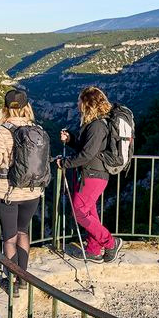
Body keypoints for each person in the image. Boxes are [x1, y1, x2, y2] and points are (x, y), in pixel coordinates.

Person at [0, 88, 46, 295]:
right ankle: (23, 278)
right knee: (23, 232)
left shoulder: (1, 131)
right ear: (27, 107)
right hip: (33, 191)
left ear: (6, 108)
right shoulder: (37, 130)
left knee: (9, 237)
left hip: (7, 193)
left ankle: (12, 282)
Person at [56, 85, 122, 263]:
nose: (77, 104)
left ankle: (110, 242)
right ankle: (93, 249)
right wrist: (71, 141)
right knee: (90, 213)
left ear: (88, 104)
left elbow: (87, 155)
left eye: (80, 100)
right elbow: (87, 149)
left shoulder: (97, 126)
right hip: (90, 174)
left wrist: (65, 163)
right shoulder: (95, 124)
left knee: (79, 211)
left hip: (94, 175)